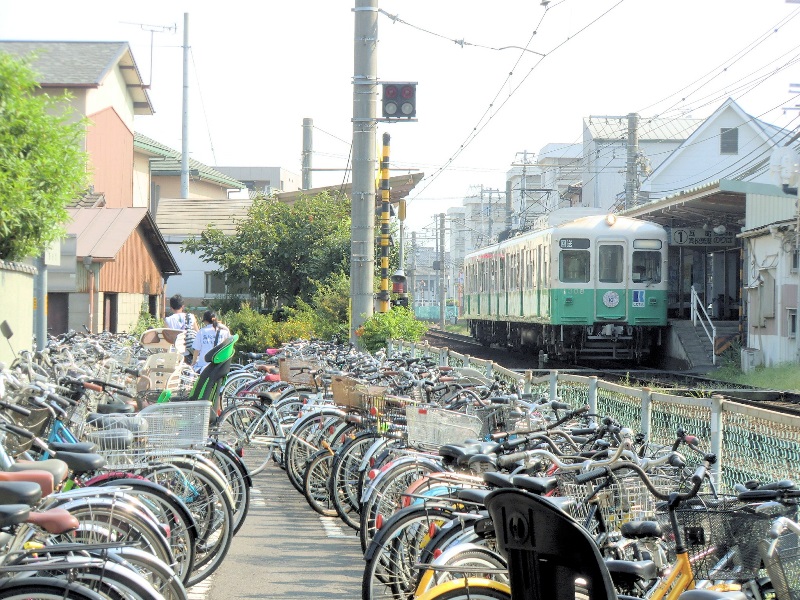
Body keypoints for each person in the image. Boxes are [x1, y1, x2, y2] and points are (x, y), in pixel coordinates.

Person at [164, 294, 198, 363]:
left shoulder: (168, 320)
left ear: (171, 307)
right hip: (190, 352)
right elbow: (197, 333)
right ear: (183, 306)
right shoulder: (191, 316)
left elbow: (167, 339)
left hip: (176, 354)